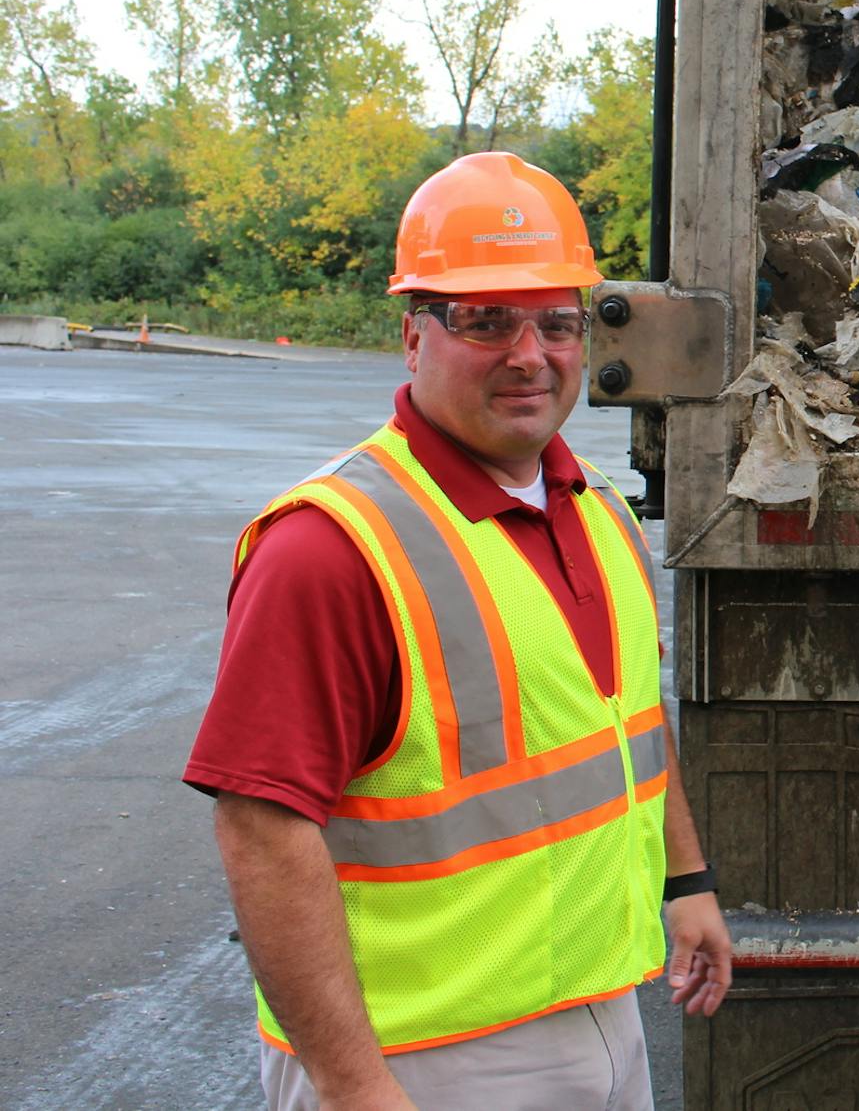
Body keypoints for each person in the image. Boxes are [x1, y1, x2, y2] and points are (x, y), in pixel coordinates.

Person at [185, 151, 730, 1111]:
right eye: (484, 320)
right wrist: (355, 1088)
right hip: (421, 1061)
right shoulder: (329, 550)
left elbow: (630, 728)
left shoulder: (594, 509)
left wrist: (687, 881)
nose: (530, 353)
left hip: (599, 1010)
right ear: (413, 336)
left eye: (556, 321)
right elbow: (262, 830)